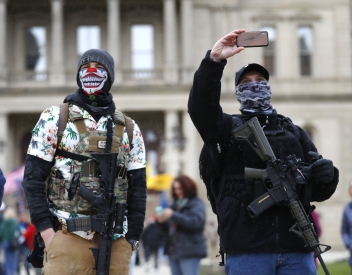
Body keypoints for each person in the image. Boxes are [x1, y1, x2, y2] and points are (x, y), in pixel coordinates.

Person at [188, 29, 339, 275]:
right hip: (247, 249)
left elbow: (319, 192)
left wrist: (327, 174)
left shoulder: (294, 132)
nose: (254, 86)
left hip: (296, 248)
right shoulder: (227, 130)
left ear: (268, 86)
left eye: (260, 81)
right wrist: (214, 61)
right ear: (237, 91)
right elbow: (201, 108)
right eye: (246, 83)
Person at [22, 49, 147, 275]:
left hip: (116, 241)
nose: (91, 72)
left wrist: (132, 240)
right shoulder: (54, 118)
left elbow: (138, 188)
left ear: (109, 75)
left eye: (99, 68)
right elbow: (32, 179)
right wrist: (47, 234)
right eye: (84, 68)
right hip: (67, 237)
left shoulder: (129, 128)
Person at [156, 175, 207, 275]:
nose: (177, 191)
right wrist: (160, 222)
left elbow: (194, 223)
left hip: (190, 251)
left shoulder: (196, 203)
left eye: (180, 188)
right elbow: (167, 230)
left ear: (188, 187)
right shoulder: (174, 204)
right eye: (175, 189)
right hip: (173, 251)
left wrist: (173, 215)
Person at [0, 207, 21, 275]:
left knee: (7, 261)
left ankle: (8, 273)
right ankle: (13, 273)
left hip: (5, 243)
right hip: (13, 243)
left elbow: (1, 233)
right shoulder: (15, 223)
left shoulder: (4, 222)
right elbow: (18, 233)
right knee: (14, 260)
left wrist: (4, 239)